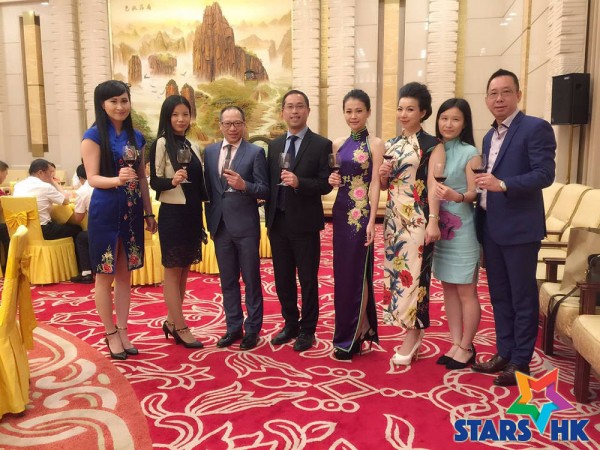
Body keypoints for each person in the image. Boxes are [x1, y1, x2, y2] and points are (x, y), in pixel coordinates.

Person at [471, 69, 556, 386]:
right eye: (493, 93)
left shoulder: (535, 128)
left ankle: (521, 361)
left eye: (506, 92)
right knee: (499, 296)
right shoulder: (488, 136)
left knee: (522, 297)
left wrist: (503, 184)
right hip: (491, 226)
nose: (499, 99)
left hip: (520, 229)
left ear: (518, 95)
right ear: (486, 99)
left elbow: (544, 174)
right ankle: (504, 353)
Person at [81, 80, 157, 360]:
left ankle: (123, 330)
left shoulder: (136, 136)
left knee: (125, 274)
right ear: (102, 104)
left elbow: (142, 177)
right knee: (105, 274)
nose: (120, 106)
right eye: (113, 101)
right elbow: (92, 178)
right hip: (106, 209)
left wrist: (148, 212)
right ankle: (110, 332)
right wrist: (117, 179)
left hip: (133, 209)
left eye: (124, 100)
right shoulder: (92, 136)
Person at [378, 82, 443, 366]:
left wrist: (433, 221)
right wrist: (383, 174)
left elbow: (434, 185)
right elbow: (384, 186)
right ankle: (412, 331)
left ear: (423, 112)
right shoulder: (391, 144)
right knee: (397, 275)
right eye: (400, 109)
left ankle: (414, 334)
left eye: (410, 109)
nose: (403, 114)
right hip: (394, 219)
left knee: (416, 277)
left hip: (418, 217)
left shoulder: (432, 145)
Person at [265, 89, 333, 352]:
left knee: (307, 279)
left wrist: (299, 182)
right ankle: (290, 324)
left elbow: (325, 184)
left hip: (305, 224)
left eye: (299, 106)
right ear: (282, 112)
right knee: (282, 279)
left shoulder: (321, 144)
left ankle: (308, 329)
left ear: (307, 111)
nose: (294, 111)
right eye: (290, 106)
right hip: (278, 223)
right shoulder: (274, 145)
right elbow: (269, 182)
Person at [204, 106, 269, 350]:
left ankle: (252, 329)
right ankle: (233, 327)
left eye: (237, 123)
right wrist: (209, 222)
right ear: (220, 125)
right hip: (220, 226)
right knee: (228, 281)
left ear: (243, 125)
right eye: (228, 123)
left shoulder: (255, 152)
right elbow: (210, 191)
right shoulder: (210, 152)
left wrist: (245, 186)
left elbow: (265, 189)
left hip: (246, 227)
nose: (233, 128)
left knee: (251, 280)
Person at [150, 95, 209, 349]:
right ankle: (181, 326)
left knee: (184, 270)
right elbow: (154, 181)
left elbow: (200, 182)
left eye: (185, 114)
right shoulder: (161, 143)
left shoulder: (192, 144)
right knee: (173, 272)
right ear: (167, 116)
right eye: (175, 115)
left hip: (192, 213)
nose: (181, 119)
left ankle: (172, 322)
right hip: (173, 214)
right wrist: (172, 181)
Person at [328, 89, 383, 360]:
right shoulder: (337, 143)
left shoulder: (376, 144)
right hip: (341, 213)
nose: (353, 116)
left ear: (368, 112)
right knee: (343, 276)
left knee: (357, 273)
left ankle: (352, 337)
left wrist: (372, 220)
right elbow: (334, 178)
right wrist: (331, 181)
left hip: (361, 216)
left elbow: (375, 184)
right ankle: (353, 332)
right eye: (348, 111)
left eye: (359, 111)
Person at [431, 98, 481, 370]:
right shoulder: (434, 148)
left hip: (463, 229)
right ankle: (455, 342)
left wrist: (456, 195)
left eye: (455, 119)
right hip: (440, 228)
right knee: (448, 288)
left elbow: (475, 193)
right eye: (444, 118)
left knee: (466, 291)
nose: (448, 124)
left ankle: (467, 346)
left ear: (464, 124)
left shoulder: (470, 152)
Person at [13, 159, 89, 277]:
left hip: (23, 230)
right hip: (44, 231)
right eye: (50, 172)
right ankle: (82, 270)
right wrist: (53, 183)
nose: (52, 175)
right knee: (77, 229)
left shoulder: (18, 185)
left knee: (61, 226)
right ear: (40, 172)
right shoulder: (45, 187)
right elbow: (66, 200)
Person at [70, 163, 94, 284]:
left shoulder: (83, 190)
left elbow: (78, 218)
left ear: (80, 178)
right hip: (119, 227)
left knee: (80, 237)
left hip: (99, 231)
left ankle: (86, 272)